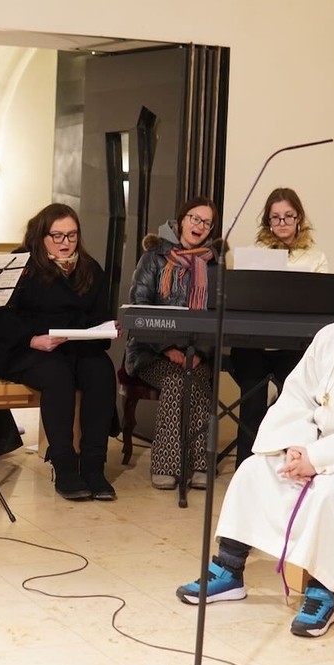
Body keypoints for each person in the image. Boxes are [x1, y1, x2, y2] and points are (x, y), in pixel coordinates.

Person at [175, 260, 334, 638]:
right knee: (255, 470)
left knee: (331, 492)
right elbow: (296, 396)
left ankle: (322, 592)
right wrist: (297, 444)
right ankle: (229, 569)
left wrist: (317, 459)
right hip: (315, 442)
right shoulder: (329, 336)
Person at [0, 203, 117, 501]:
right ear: (40, 235)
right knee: (57, 374)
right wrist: (32, 340)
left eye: (72, 235)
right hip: (20, 347)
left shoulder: (89, 268)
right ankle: (64, 465)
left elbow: (100, 315)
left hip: (73, 346)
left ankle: (94, 466)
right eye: (57, 236)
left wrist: (104, 328)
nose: (65, 243)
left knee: (101, 370)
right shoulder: (19, 263)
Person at [124, 196, 220, 490]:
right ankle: (166, 464)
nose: (199, 226)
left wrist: (200, 353)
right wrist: (166, 349)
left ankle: (200, 464)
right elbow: (138, 308)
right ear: (181, 220)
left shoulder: (213, 264)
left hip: (195, 353)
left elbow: (217, 316)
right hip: (150, 352)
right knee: (178, 380)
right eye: (194, 218)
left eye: (206, 223)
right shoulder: (153, 258)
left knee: (198, 378)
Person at [229, 187, 329, 466]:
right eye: (276, 217)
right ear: (268, 221)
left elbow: (321, 303)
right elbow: (242, 300)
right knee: (251, 401)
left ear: (299, 218)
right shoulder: (253, 254)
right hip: (253, 345)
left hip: (294, 347)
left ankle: (287, 465)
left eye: (288, 216)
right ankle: (247, 466)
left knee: (295, 406)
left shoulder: (315, 257)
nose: (282, 222)